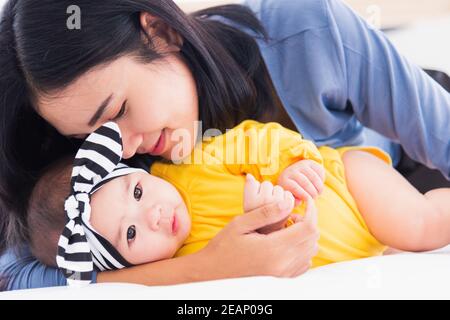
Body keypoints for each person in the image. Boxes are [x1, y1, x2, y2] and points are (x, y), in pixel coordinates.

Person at [2, 0, 450, 291]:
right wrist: (210, 268)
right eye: (90, 137)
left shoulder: (309, 35)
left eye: (118, 111)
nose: (123, 147)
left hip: (396, 162)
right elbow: (20, 277)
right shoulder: (108, 183)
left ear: (159, 33)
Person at [28, 120, 450, 287]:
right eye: (131, 233)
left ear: (136, 171)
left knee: (422, 225)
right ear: (127, 263)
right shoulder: (192, 267)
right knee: (399, 245)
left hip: (347, 186)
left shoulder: (189, 164)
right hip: (356, 247)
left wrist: (287, 167)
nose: (152, 214)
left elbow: (257, 138)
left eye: (136, 193)